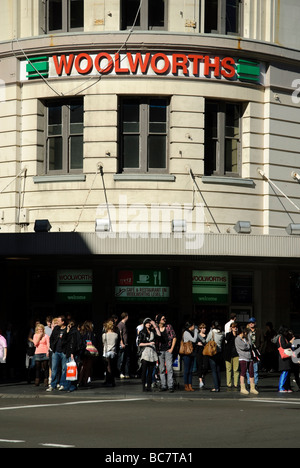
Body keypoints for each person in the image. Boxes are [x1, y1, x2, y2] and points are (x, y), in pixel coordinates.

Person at [138, 318, 161, 392]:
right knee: (144, 370)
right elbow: (139, 343)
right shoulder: (142, 332)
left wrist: (155, 325)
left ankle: (149, 386)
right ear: (144, 324)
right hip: (145, 352)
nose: (149, 324)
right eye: (147, 323)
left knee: (151, 370)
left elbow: (159, 335)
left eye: (149, 323)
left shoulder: (152, 331)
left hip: (152, 352)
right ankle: (143, 386)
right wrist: (149, 343)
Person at [46, 315, 68, 392]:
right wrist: (52, 347)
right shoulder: (56, 329)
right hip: (56, 351)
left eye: (59, 321)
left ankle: (62, 384)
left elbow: (69, 340)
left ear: (63, 322)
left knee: (63, 369)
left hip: (64, 352)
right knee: (54, 368)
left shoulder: (67, 329)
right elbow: (51, 338)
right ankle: (53, 385)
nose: (57, 322)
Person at [235, 325, 259, 395]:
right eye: (244, 332)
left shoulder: (246, 338)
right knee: (243, 372)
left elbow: (250, 344)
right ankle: (242, 388)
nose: (245, 333)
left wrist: (248, 337)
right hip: (243, 358)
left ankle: (252, 388)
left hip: (249, 357)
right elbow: (244, 347)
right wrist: (248, 345)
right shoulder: (237, 339)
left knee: (251, 372)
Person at [156, 314, 177, 393]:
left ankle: (170, 386)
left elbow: (174, 337)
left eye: (165, 318)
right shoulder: (157, 328)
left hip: (168, 350)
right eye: (162, 319)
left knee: (169, 368)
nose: (164, 320)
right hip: (160, 351)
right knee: (161, 369)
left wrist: (171, 348)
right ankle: (163, 385)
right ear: (159, 320)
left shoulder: (168, 326)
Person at [206, 321, 225, 392]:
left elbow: (207, 340)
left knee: (213, 370)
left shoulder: (212, 332)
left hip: (213, 353)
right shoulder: (222, 333)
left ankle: (216, 387)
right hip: (219, 352)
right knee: (218, 369)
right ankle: (218, 385)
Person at [65, 320, 83, 392]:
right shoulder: (76, 332)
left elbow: (73, 343)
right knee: (73, 369)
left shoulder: (72, 333)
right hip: (74, 352)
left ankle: (71, 385)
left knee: (71, 369)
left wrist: (72, 353)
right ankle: (72, 385)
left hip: (72, 353)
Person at [78, 320, 97, 387]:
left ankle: (79, 381)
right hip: (89, 351)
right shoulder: (90, 333)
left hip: (83, 351)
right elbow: (94, 342)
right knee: (88, 367)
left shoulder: (81, 332)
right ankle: (85, 381)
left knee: (82, 366)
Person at [277, 326, 294, 393]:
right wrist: (290, 343)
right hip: (283, 357)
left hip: (286, 357)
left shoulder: (283, 337)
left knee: (286, 372)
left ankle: (285, 387)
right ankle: (281, 387)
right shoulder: (281, 337)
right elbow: (284, 346)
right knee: (284, 372)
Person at [246, 317, 263, 386]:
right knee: (248, 369)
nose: (251, 324)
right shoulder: (246, 331)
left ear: (255, 323)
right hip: (248, 351)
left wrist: (260, 350)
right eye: (250, 323)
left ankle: (255, 383)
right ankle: (249, 382)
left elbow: (262, 341)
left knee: (255, 368)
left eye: (252, 323)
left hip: (256, 351)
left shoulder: (259, 331)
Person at [182, 321, 198, 392]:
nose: (194, 327)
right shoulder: (186, 333)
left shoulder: (190, 332)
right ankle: (186, 385)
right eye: (193, 326)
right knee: (186, 370)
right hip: (186, 354)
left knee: (190, 370)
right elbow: (194, 340)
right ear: (190, 326)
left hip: (191, 353)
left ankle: (190, 385)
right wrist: (196, 332)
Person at [102, 319, 119, 387]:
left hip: (106, 352)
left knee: (107, 367)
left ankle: (108, 380)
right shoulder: (116, 335)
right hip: (113, 351)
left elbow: (103, 343)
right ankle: (112, 380)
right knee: (112, 366)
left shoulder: (104, 335)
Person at [224, 322, 239, 388]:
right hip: (228, 354)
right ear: (231, 328)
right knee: (228, 369)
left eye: (236, 327)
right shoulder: (228, 334)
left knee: (236, 369)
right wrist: (230, 332)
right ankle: (229, 383)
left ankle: (235, 383)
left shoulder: (238, 335)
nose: (235, 328)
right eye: (233, 327)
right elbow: (226, 339)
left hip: (236, 354)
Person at [195, 323, 208, 389]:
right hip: (199, 351)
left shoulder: (207, 335)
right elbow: (194, 342)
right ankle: (200, 381)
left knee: (206, 366)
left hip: (205, 351)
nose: (204, 329)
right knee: (199, 365)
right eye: (203, 328)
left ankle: (202, 375)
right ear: (200, 329)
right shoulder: (197, 335)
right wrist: (197, 343)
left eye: (205, 328)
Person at [117, 312, 130, 378]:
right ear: (126, 316)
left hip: (126, 344)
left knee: (126, 359)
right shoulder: (120, 324)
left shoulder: (124, 324)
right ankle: (121, 372)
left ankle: (126, 373)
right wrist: (121, 343)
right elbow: (120, 334)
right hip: (123, 344)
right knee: (121, 359)